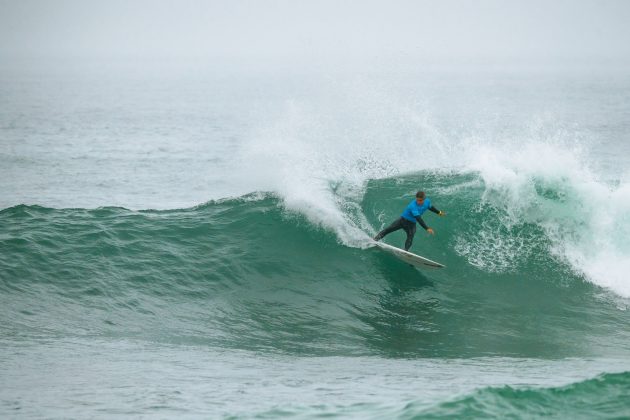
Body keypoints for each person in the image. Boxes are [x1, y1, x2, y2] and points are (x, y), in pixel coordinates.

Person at [373, 191, 445, 251]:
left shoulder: (427, 201)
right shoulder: (413, 206)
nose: (418, 202)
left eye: (420, 200)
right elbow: (418, 218)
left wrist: (439, 212)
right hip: (402, 220)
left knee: (410, 237)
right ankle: (374, 240)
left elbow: (430, 207)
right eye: (417, 200)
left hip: (412, 224)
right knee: (388, 230)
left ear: (424, 199)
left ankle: (406, 252)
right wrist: (427, 228)